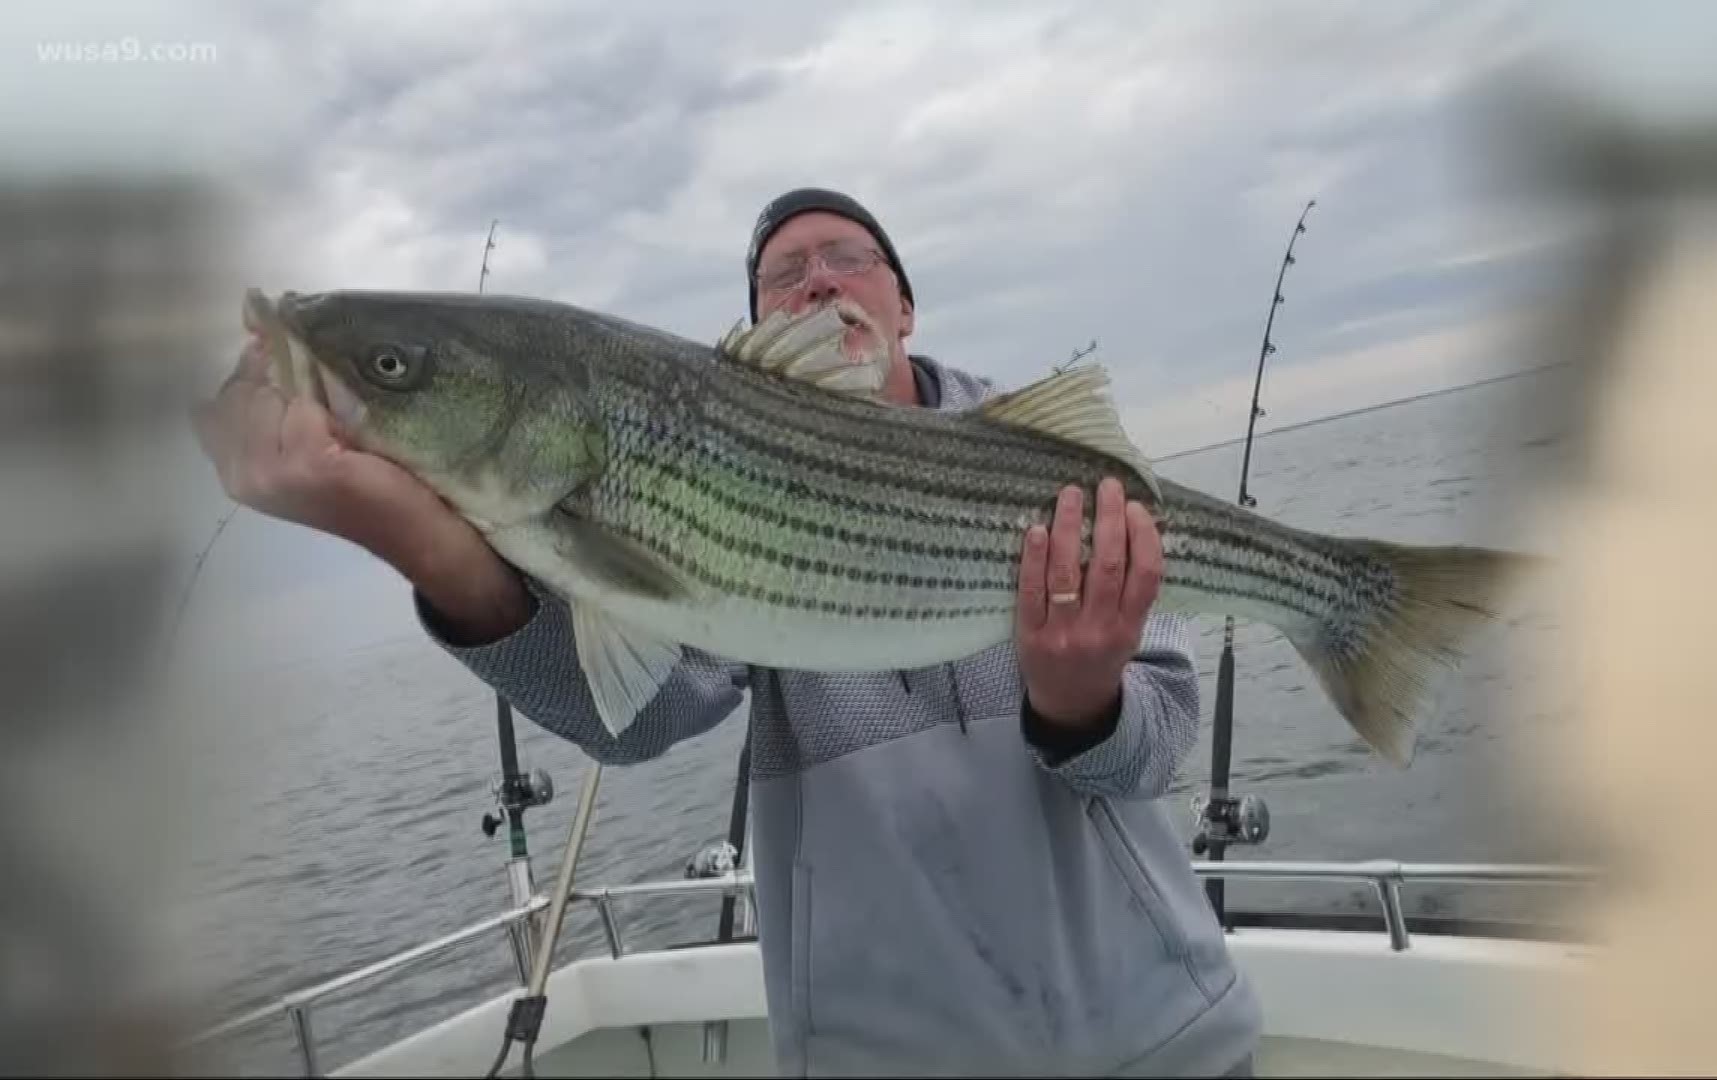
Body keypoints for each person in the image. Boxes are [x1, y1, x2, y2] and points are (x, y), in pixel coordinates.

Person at [191, 187, 1262, 1077]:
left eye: (850, 256)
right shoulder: (704, 461)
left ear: (906, 304)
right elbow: (633, 717)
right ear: (759, 323)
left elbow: (1156, 746)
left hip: (1164, 1040)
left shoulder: (1058, 488)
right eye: (784, 274)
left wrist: (1083, 706)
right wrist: (426, 545)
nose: (820, 280)